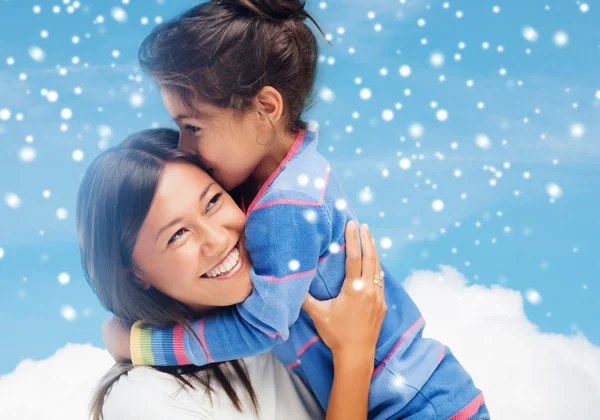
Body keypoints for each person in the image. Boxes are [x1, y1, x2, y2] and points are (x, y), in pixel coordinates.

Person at [103, 1, 490, 418]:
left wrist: (142, 344)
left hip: (416, 406)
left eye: (193, 126)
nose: (184, 146)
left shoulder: (285, 207)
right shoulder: (291, 170)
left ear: (265, 109)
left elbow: (260, 326)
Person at [77, 128, 387, 419]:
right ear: (135, 276)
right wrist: (354, 354)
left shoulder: (282, 307)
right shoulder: (145, 399)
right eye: (178, 234)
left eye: (213, 201)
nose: (218, 239)